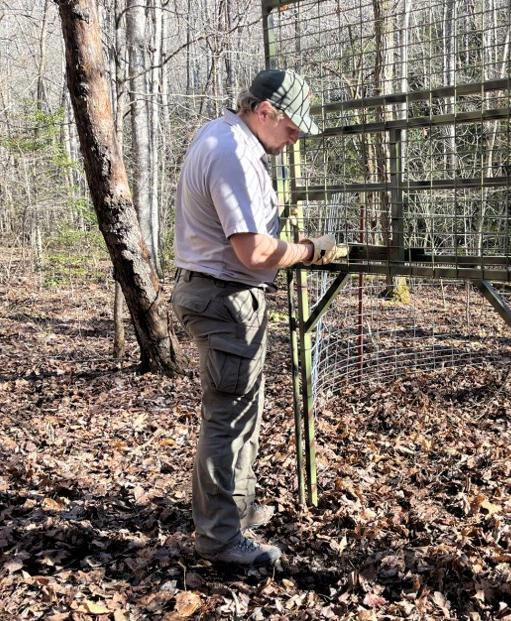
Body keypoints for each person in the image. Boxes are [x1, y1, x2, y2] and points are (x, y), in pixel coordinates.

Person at [170, 69, 345, 567]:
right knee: (227, 420)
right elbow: (254, 250)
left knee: (240, 409)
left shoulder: (222, 135)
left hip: (219, 295)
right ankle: (222, 539)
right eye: (291, 129)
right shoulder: (233, 154)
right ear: (264, 112)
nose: (293, 140)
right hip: (225, 297)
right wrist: (310, 250)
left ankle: (236, 509)